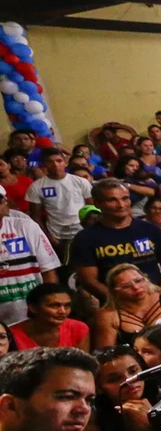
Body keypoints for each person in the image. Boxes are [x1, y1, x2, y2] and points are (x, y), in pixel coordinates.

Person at [93, 264, 161, 348]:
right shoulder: (107, 315)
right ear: (115, 292)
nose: (136, 287)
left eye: (139, 281)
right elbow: (107, 352)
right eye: (126, 286)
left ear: (146, 279)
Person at [0, 189, 58, 325]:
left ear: (6, 203)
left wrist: (50, 305)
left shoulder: (27, 227)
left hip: (30, 316)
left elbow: (48, 271)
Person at [26, 148, 94, 254]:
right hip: (57, 236)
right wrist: (49, 238)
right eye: (50, 162)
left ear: (65, 163)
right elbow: (35, 217)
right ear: (44, 165)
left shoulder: (81, 182)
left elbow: (92, 209)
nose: (55, 165)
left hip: (82, 233)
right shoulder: (36, 187)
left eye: (59, 161)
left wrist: (91, 232)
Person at [9, 284, 88, 351]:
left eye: (67, 306)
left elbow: (84, 366)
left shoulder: (78, 328)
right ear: (33, 308)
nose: (63, 311)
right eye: (54, 305)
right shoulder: (11, 335)